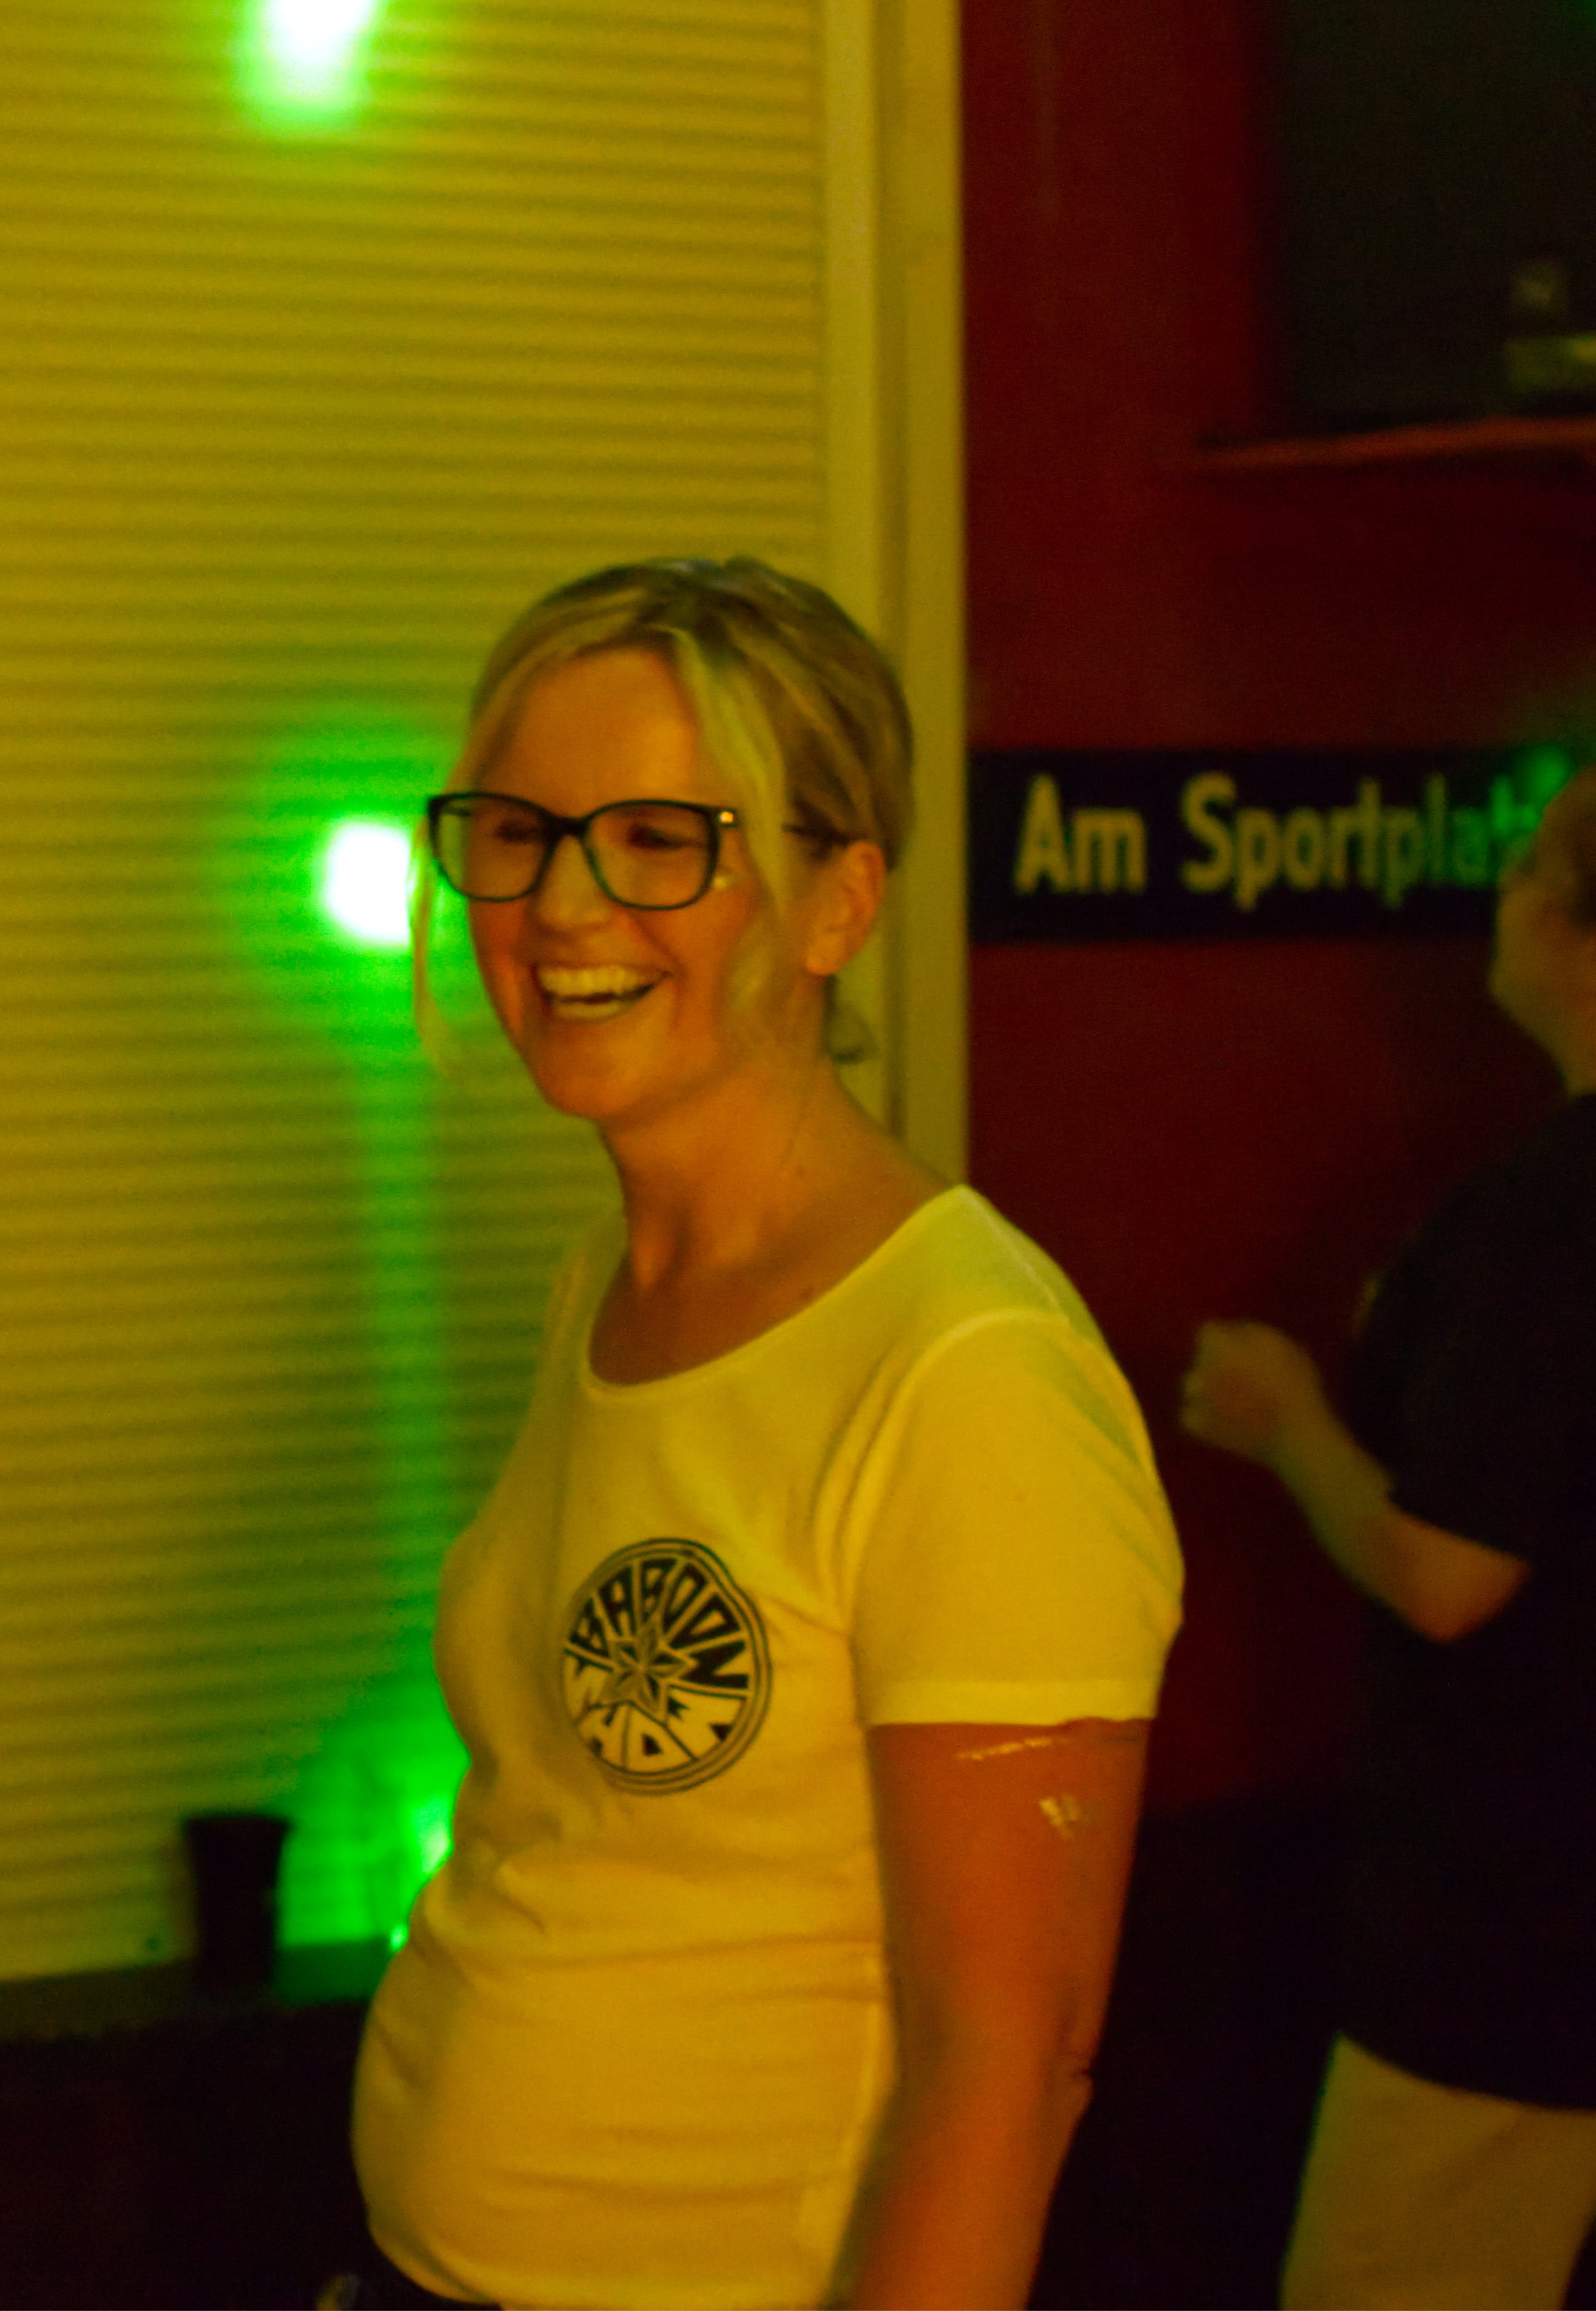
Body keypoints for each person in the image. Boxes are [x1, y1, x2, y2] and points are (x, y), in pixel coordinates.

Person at [349, 556, 1183, 2309]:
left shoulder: (963, 1367)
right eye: (516, 832)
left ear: (836, 903)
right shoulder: (604, 1285)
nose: (561, 904)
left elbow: (1009, 2062)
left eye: (661, 840)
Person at [1180, 761, 1596, 2309]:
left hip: (1513, 1957)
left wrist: (1289, 1420)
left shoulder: (1542, 1220)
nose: (1503, 892)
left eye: (1533, 865)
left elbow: (1448, 1574)